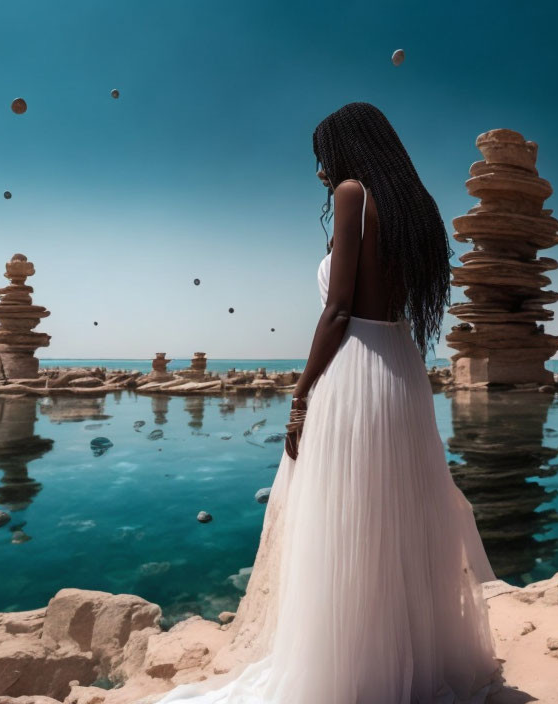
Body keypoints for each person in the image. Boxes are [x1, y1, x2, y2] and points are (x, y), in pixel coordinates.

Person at [149, 101, 502, 704]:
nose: (319, 172)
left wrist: (300, 395)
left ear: (348, 150)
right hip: (402, 371)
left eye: (323, 156)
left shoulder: (352, 193)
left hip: (356, 369)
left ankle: (349, 679)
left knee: (345, 521)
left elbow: (337, 309)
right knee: (396, 519)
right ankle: (408, 672)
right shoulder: (418, 210)